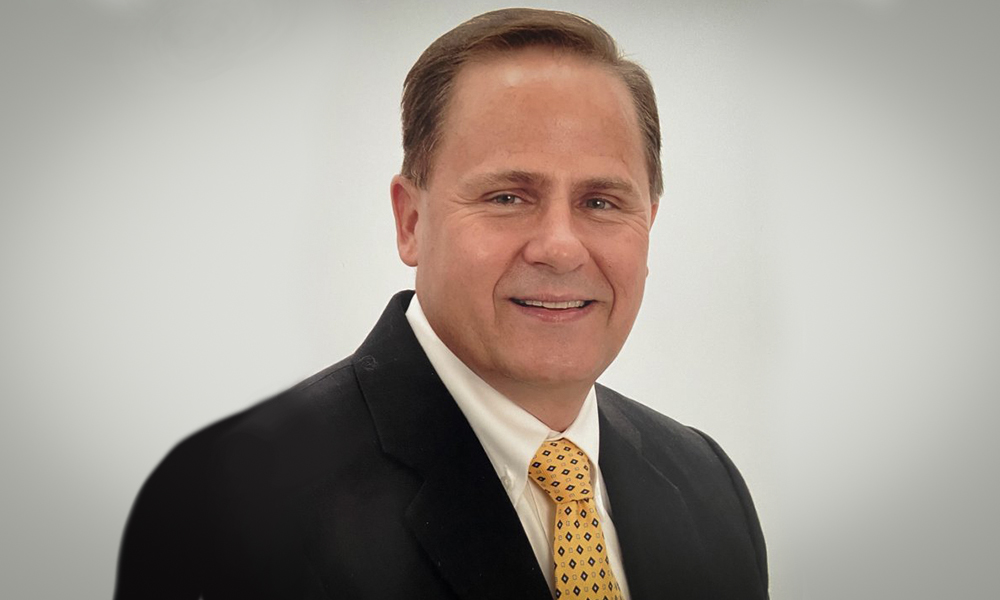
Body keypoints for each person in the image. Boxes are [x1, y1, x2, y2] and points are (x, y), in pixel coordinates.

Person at [115, 8, 767, 600]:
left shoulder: (709, 486)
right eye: (507, 197)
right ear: (410, 221)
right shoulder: (231, 503)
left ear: (648, 223)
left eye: (601, 202)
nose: (560, 248)